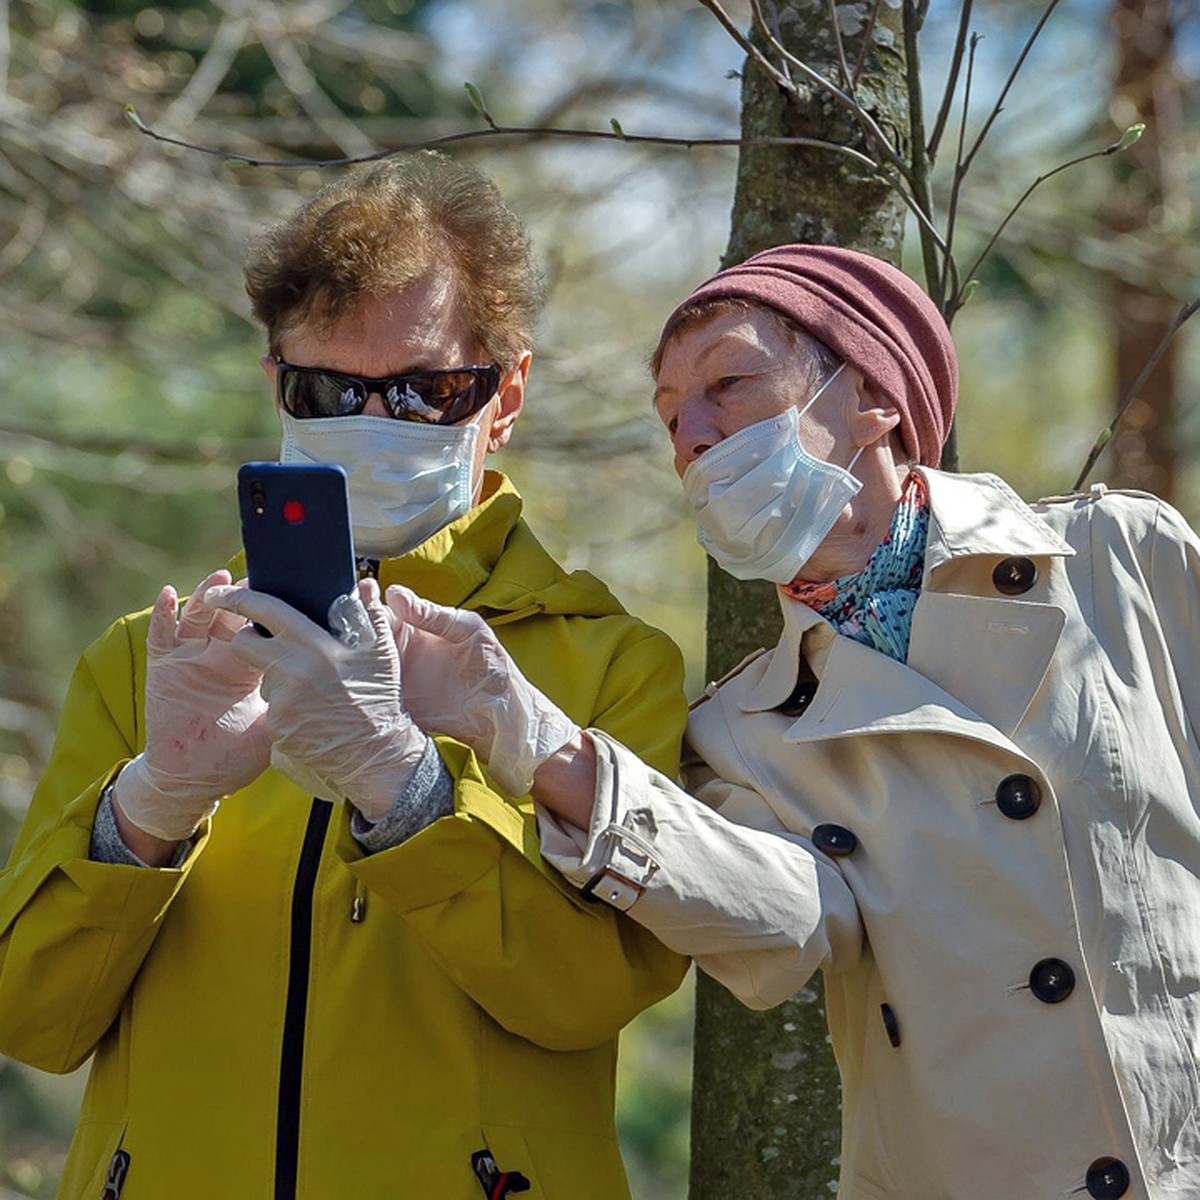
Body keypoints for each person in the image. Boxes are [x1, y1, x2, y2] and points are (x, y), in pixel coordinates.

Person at [382, 244, 1200, 1199]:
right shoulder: (739, 731)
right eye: (670, 413)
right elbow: (789, 928)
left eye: (728, 383)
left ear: (871, 398)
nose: (690, 431)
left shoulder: (1123, 559)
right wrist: (523, 731)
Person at [0, 152, 688, 1200]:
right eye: (331, 387)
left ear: (504, 394)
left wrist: (406, 791)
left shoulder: (608, 666)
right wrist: (149, 809)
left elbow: (588, 995)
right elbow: (31, 1018)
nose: (375, 421)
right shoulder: (156, 654)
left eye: (423, 390)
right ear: (278, 382)